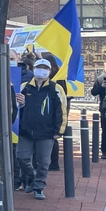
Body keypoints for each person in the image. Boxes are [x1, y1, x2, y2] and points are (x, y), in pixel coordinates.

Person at [15, 57, 66, 198]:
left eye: (45, 68)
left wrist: (59, 131)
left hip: (47, 132)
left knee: (43, 162)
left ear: (50, 71)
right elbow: (16, 109)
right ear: (33, 69)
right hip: (26, 131)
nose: (41, 71)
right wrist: (22, 105)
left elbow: (61, 110)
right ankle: (31, 176)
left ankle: (38, 187)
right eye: (39, 67)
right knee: (22, 157)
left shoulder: (56, 88)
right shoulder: (25, 86)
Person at [94, 68, 106, 160]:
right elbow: (93, 92)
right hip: (104, 108)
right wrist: (102, 87)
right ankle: (105, 151)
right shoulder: (100, 78)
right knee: (105, 131)